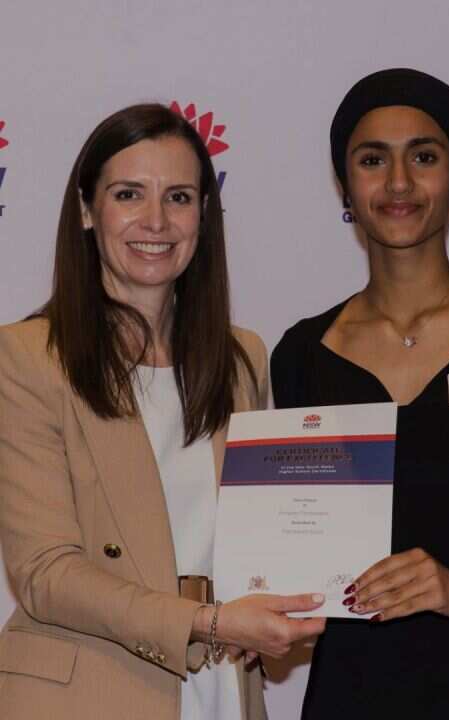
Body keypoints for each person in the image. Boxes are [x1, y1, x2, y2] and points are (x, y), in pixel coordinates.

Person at [0, 103, 326, 720]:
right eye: (129, 194)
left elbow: (255, 536)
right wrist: (206, 622)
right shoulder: (26, 358)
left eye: (178, 197)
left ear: (204, 213)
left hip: (222, 689)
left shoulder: (242, 358)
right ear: (87, 210)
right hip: (90, 694)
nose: (156, 220)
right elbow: (45, 572)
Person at [270, 68, 449, 718]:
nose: (398, 183)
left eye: (424, 157)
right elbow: (294, 540)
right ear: (344, 181)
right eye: (372, 159)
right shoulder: (300, 353)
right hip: (354, 690)